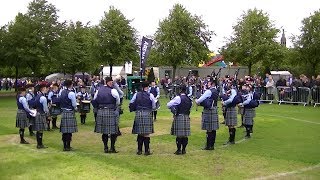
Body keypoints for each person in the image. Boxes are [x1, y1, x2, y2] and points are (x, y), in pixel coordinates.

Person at [93, 77, 120, 153]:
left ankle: (106, 148)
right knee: (113, 131)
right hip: (110, 111)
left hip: (101, 111)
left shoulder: (99, 90)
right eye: (111, 82)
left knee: (104, 131)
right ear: (108, 82)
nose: (112, 83)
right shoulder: (113, 90)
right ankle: (111, 148)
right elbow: (117, 101)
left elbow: (95, 100)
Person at [129, 81, 156, 156]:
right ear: (147, 87)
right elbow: (154, 105)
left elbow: (131, 103)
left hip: (139, 113)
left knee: (140, 133)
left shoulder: (136, 94)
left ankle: (139, 150)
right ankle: (147, 151)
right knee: (146, 134)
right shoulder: (150, 95)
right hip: (147, 113)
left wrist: (135, 108)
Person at [167, 85, 192, 155]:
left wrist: (174, 109)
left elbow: (168, 105)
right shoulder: (189, 99)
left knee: (179, 135)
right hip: (186, 116)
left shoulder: (178, 98)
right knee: (185, 135)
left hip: (179, 116)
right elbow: (190, 108)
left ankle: (178, 150)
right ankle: (184, 150)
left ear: (180, 90)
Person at [196, 78, 219, 150]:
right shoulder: (216, 90)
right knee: (213, 129)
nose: (207, 83)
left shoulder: (209, 91)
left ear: (212, 83)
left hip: (209, 110)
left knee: (209, 129)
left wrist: (197, 101)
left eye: (209, 82)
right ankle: (212, 145)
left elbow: (200, 100)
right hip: (214, 109)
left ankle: (208, 146)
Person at [59, 80, 78, 151]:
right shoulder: (71, 93)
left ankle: (64, 146)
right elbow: (74, 104)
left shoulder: (62, 91)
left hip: (63, 112)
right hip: (69, 112)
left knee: (64, 131)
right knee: (69, 131)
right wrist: (76, 108)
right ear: (71, 85)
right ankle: (68, 146)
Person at [34, 83, 49, 149]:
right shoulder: (43, 98)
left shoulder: (37, 96)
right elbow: (45, 109)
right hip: (41, 114)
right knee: (40, 130)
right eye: (46, 88)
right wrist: (48, 115)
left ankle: (39, 144)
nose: (46, 89)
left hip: (37, 113)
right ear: (43, 89)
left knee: (38, 130)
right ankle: (40, 144)